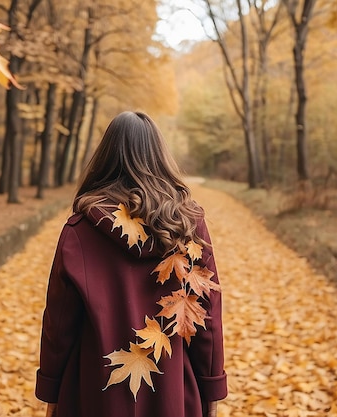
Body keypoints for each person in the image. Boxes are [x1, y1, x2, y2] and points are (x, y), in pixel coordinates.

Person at [35, 111, 227, 417]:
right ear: (159, 158)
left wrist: (51, 390)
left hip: (93, 391)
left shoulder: (79, 230)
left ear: (105, 159)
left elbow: (59, 323)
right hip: (173, 391)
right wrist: (211, 387)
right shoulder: (187, 227)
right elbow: (207, 314)